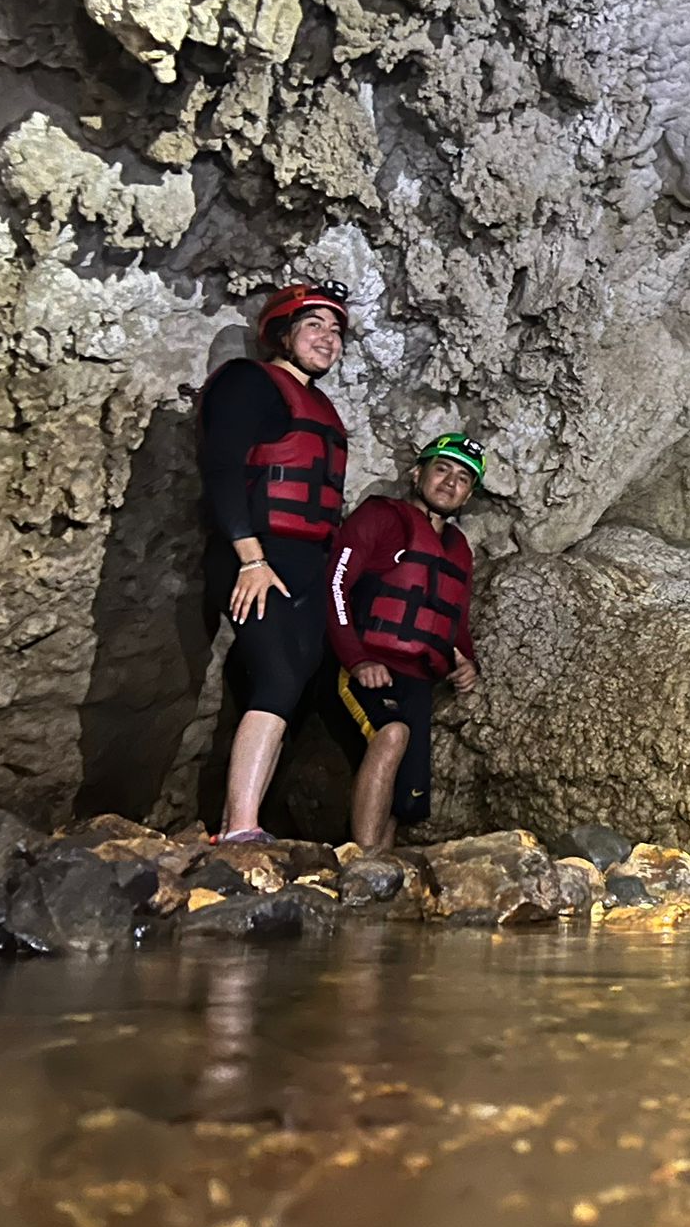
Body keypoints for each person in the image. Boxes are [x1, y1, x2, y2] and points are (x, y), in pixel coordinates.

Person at [198, 281, 351, 844]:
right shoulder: (250, 382)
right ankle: (241, 829)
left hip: (307, 559)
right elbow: (222, 471)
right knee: (278, 676)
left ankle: (237, 820)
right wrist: (249, 558)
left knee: (292, 686)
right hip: (258, 554)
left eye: (336, 331)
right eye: (315, 325)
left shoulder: (323, 408)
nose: (329, 338)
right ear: (282, 332)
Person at [326, 433, 485, 851]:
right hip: (364, 663)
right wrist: (357, 659)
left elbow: (454, 618)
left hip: (418, 679)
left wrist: (464, 660)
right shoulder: (381, 517)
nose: (451, 483)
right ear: (418, 474)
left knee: (407, 791)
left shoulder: (459, 549)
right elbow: (335, 584)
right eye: (442, 469)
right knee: (391, 733)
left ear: (468, 495)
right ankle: (361, 862)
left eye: (464, 478)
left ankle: (379, 877)